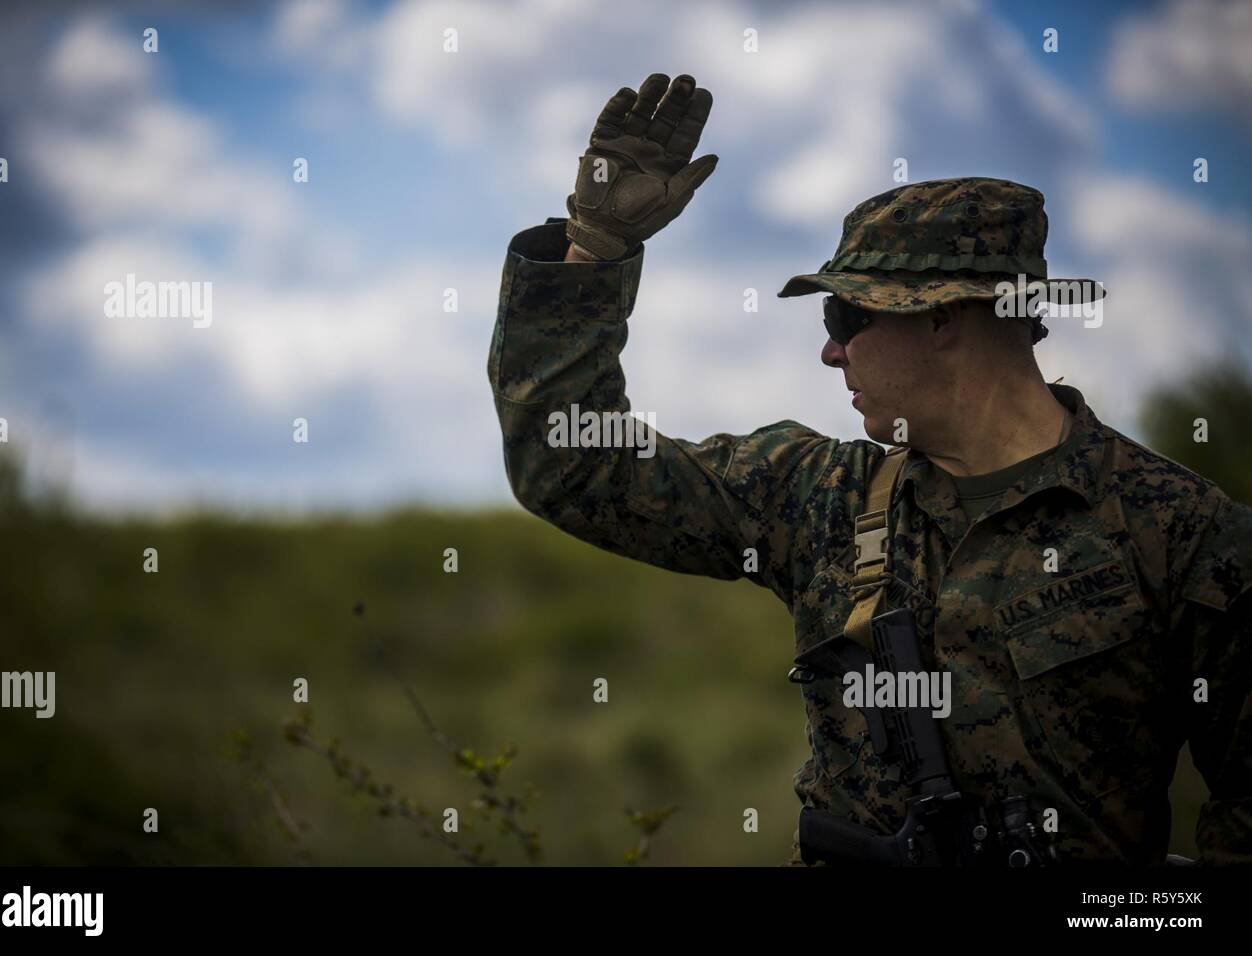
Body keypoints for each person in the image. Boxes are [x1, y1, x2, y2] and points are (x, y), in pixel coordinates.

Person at [487, 72, 1252, 864]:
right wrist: (594, 246)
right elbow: (574, 468)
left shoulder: (1183, 534)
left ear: (945, 317)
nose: (830, 351)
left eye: (846, 317)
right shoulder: (817, 496)